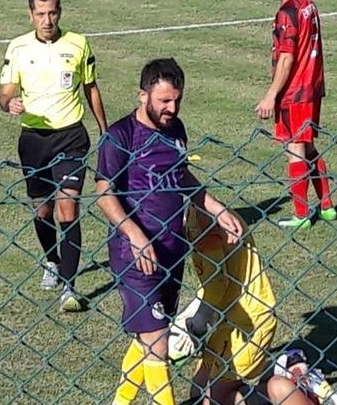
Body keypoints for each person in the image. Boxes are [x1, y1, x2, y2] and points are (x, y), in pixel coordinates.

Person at [96, 58, 243, 405]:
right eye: (163, 101)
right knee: (158, 339)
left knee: (146, 338)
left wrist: (217, 208)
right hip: (134, 255)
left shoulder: (176, 130)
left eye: (177, 100)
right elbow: (104, 193)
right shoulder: (120, 136)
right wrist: (135, 235)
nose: (171, 108)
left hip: (171, 252)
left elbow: (183, 178)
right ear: (142, 94)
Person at [0, 0, 108, 313]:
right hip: (33, 140)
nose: (47, 20)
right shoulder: (18, 48)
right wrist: (9, 103)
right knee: (42, 210)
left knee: (68, 207)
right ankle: (52, 260)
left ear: (60, 11)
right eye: (41, 14)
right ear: (30, 15)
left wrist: (105, 130)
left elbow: (91, 88)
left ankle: (70, 288)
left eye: (53, 13)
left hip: (71, 137)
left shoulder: (78, 44)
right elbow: (4, 92)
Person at [175, 207, 337, 405]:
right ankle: (285, 372)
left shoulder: (200, 218)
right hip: (229, 320)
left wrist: (196, 325)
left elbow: (217, 284)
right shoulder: (198, 210)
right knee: (198, 392)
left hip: (246, 324)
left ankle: (298, 385)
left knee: (211, 402)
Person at [255, 0, 336, 230]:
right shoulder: (308, 6)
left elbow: (287, 58)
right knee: (309, 145)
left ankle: (301, 215)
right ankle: (326, 206)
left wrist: (271, 95)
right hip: (312, 88)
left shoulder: (286, 14)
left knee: (295, 149)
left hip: (294, 92)